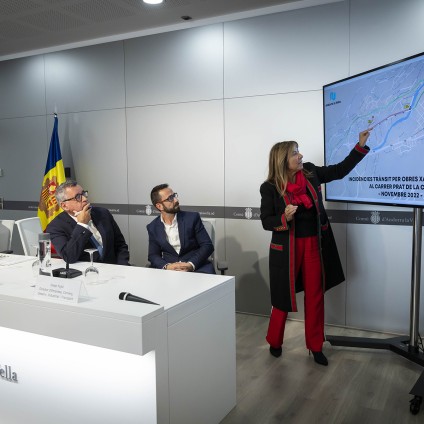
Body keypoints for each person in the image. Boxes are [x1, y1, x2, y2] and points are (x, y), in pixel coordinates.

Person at [260, 129, 371, 366]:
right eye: (295, 153)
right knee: (281, 297)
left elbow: (339, 170)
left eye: (299, 151)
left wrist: (360, 146)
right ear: (282, 160)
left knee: (315, 295)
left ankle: (315, 345)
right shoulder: (269, 187)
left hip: (313, 245)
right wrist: (284, 218)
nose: (300, 156)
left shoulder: (310, 172)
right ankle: (275, 341)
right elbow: (266, 221)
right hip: (287, 250)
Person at [46, 179, 130, 265]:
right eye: (78, 197)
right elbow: (69, 256)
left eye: (84, 194)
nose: (85, 199)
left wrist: (123, 267)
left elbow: (120, 245)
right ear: (64, 206)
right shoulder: (55, 227)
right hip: (86, 271)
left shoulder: (103, 213)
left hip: (115, 268)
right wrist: (82, 225)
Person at [147, 184, 215, 274]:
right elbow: (153, 255)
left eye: (174, 195)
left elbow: (207, 245)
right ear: (159, 206)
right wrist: (167, 266)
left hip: (197, 267)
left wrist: (191, 265)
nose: (176, 200)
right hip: (170, 272)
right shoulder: (153, 227)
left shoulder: (192, 218)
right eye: (170, 198)